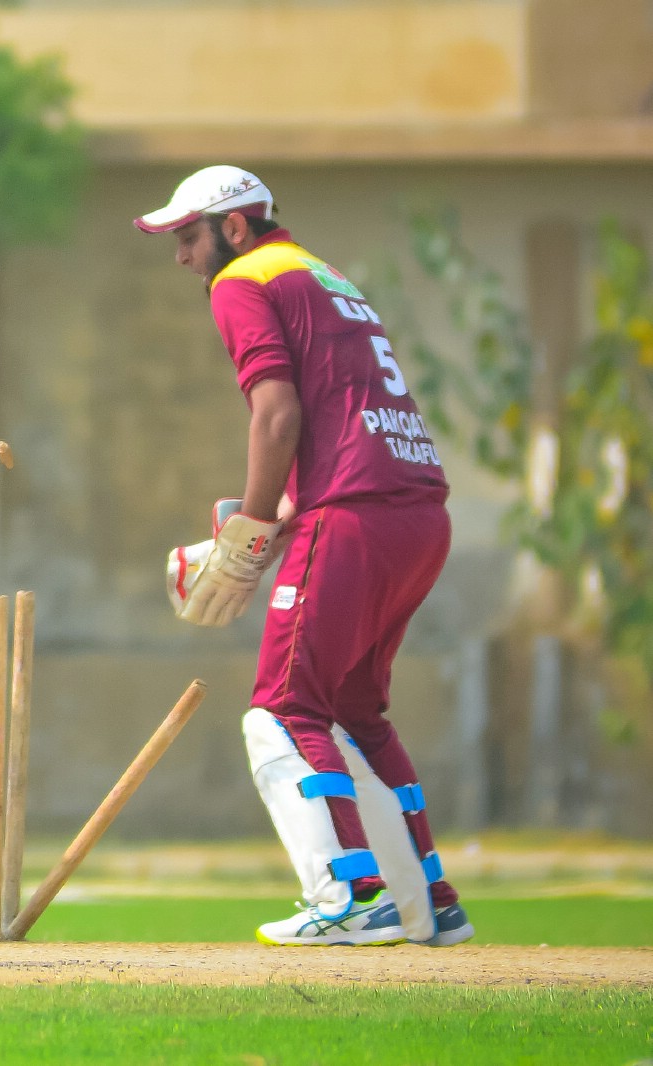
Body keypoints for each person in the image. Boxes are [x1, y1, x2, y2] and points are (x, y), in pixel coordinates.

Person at [137, 165, 474, 947]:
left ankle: (350, 895)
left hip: (354, 515)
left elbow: (277, 416)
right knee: (353, 714)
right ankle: (426, 904)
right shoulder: (322, 276)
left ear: (232, 227)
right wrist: (277, 518)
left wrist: (250, 535)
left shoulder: (243, 279)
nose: (180, 256)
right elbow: (341, 415)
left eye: (187, 236)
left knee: (282, 711)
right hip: (415, 513)